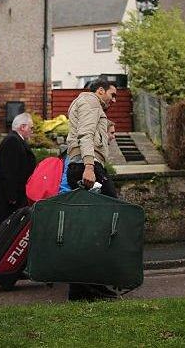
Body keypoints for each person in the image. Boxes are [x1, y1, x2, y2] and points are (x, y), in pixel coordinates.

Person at [64, 77, 120, 301]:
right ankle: (90, 289)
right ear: (100, 91)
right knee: (100, 228)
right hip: (86, 168)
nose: (114, 100)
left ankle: (81, 289)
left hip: (86, 167)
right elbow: (85, 134)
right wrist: (89, 166)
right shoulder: (90, 102)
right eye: (112, 94)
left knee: (89, 231)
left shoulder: (90, 105)